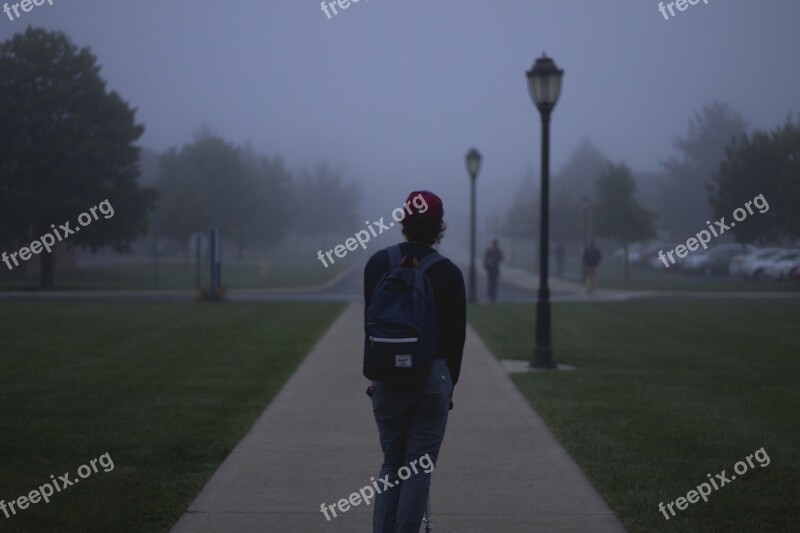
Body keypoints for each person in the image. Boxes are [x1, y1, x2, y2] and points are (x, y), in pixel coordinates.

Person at [364, 190, 466, 533]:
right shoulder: (449, 273)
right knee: (418, 468)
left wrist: (376, 374)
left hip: (387, 380)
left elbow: (371, 326)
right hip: (432, 377)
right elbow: (456, 341)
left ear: (403, 222)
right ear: (438, 226)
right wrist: (449, 386)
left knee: (392, 463)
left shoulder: (378, 264)